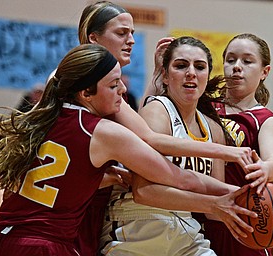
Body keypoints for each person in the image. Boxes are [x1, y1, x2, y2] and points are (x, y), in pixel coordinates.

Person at [0, 44, 256, 256]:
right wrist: (233, 195)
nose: (123, 91)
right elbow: (177, 176)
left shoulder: (46, 116)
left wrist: (103, 177)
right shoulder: (103, 131)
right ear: (86, 93)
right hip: (45, 245)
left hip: (1, 237)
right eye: (113, 85)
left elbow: (56, 180)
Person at [73, 1, 254, 254]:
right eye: (122, 33)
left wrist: (248, 202)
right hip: (114, 215)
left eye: (133, 33)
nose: (131, 40)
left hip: (172, 221)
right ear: (94, 38)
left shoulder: (110, 90)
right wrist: (225, 155)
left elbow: (141, 131)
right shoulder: (79, 82)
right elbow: (148, 138)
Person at [100, 36, 238, 255]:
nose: (191, 72)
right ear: (164, 75)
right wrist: (213, 204)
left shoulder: (214, 129)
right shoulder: (157, 111)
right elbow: (145, 192)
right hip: (137, 227)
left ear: (207, 75)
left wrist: (250, 206)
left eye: (200, 67)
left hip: (185, 229)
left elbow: (215, 206)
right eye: (181, 66)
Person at [202, 33, 273, 256]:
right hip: (198, 216)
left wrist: (266, 169)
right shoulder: (204, 108)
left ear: (264, 72)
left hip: (241, 223)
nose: (236, 67)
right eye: (230, 60)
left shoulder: (263, 119)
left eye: (247, 61)